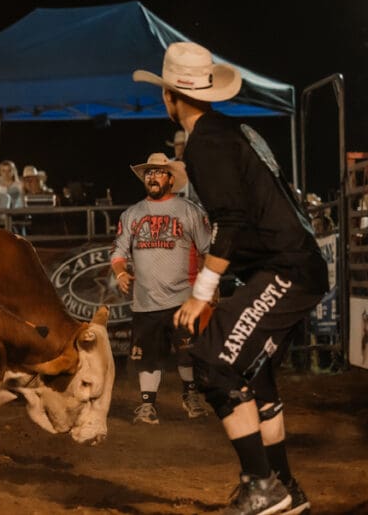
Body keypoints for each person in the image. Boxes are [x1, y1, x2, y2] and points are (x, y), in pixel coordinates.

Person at [135, 41, 325, 515]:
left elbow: (233, 221)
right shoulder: (228, 132)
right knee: (249, 371)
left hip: (285, 268)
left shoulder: (206, 142)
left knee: (214, 364)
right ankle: (282, 485)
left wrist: (201, 295)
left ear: (170, 97)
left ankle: (263, 486)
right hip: (291, 265)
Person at [110, 152, 211, 426]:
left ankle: (190, 395)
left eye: (157, 172)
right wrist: (120, 273)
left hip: (183, 298)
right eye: (148, 173)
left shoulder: (189, 211)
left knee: (187, 352)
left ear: (170, 178)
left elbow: (206, 251)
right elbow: (118, 252)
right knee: (147, 357)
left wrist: (206, 288)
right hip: (145, 301)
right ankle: (147, 405)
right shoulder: (131, 214)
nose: (152, 177)